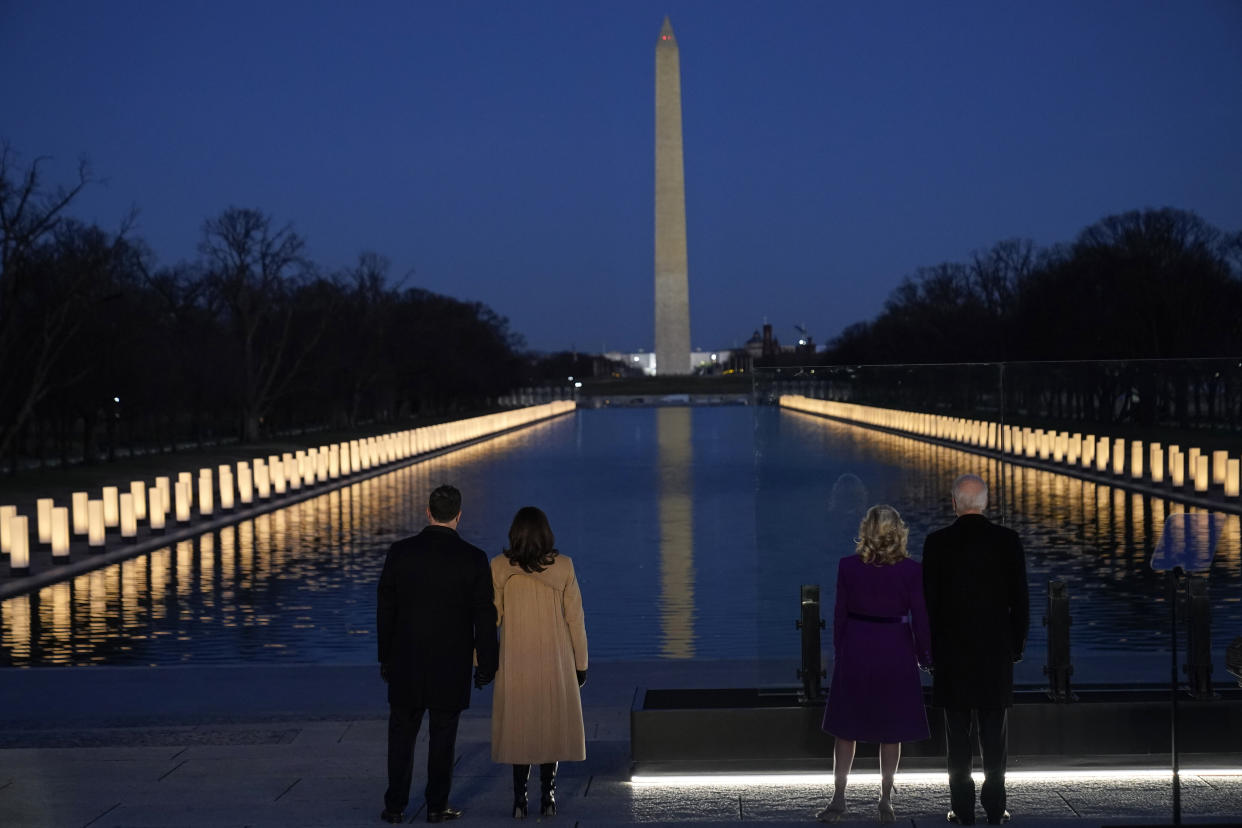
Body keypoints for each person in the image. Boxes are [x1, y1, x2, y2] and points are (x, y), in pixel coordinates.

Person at [377, 484, 499, 824]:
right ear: (459, 516)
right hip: (451, 662)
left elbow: (385, 609)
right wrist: (487, 665)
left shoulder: (400, 553)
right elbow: (484, 617)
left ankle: (395, 805)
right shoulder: (473, 558)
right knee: (443, 737)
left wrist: (384, 656)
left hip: (406, 659)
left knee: (401, 735)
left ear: (428, 512)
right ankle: (436, 805)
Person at [922, 474, 1029, 826]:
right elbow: (1021, 602)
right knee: (994, 735)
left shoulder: (936, 543)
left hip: (952, 654)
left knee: (957, 737)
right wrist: (1015, 645)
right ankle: (995, 807)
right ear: (986, 504)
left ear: (954, 504)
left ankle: (962, 807)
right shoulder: (1008, 541)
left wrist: (930, 650)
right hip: (994, 653)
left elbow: (929, 604)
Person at [818, 504, 932, 824]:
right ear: (898, 531)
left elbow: (840, 615)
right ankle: (885, 799)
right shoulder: (912, 570)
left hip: (857, 645)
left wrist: (841, 652)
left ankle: (839, 798)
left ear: (866, 530)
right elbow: (921, 619)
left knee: (845, 729)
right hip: (895, 646)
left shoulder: (847, 567)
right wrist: (926, 656)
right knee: (891, 729)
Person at [490, 506, 588, 819]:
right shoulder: (564, 566)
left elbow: (491, 618)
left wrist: (482, 659)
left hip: (515, 658)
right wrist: (581, 664)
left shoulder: (499, 567)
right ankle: (548, 797)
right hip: (555, 659)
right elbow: (575, 621)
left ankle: (520, 800)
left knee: (521, 728)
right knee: (550, 726)